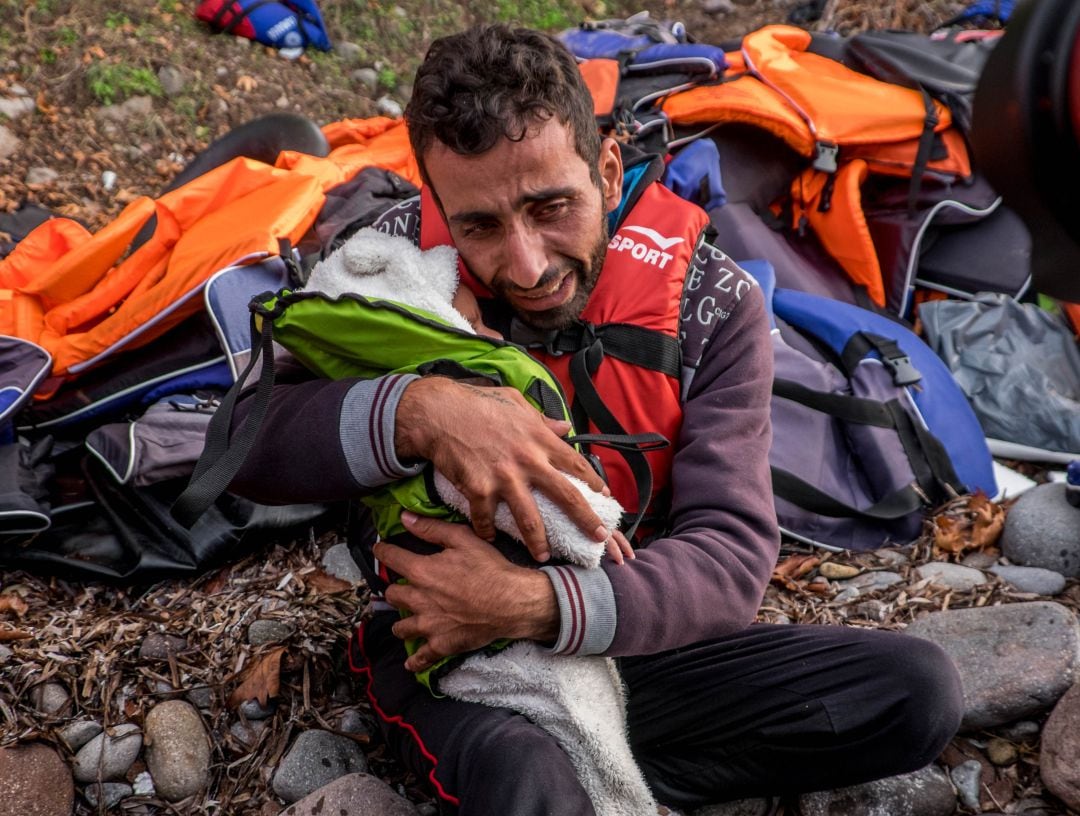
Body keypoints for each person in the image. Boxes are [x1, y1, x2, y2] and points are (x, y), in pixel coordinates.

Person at [231, 24, 964, 815]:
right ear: (439, 206)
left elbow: (730, 555)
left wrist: (528, 602)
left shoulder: (714, 304)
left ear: (608, 167)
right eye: (478, 225)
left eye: (551, 207)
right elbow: (243, 441)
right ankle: (582, 769)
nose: (526, 265)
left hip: (634, 638)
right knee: (525, 775)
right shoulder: (388, 270)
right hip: (450, 649)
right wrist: (421, 411)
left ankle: (607, 765)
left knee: (914, 691)